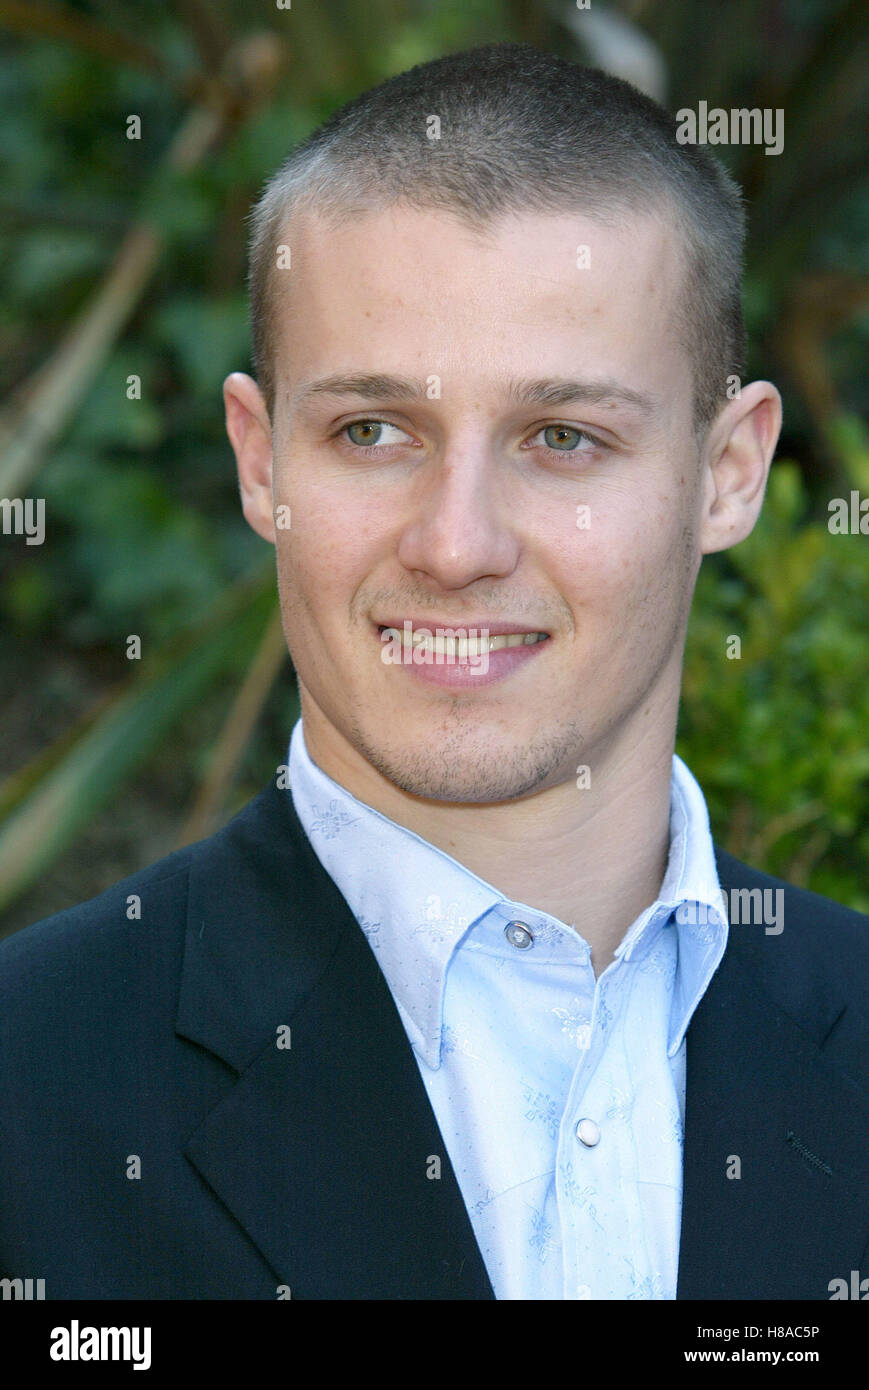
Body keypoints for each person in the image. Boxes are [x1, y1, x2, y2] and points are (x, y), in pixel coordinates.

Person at [2, 42, 867, 1303]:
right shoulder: (29, 1082)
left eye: (562, 437)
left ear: (728, 473)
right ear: (260, 461)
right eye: (373, 430)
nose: (455, 542)